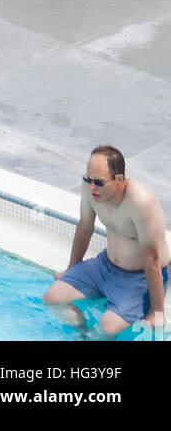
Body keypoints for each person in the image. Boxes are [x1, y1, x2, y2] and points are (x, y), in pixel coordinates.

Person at [42, 145, 169, 338]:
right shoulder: (90, 189)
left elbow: (152, 258)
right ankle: (82, 334)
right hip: (104, 267)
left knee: (107, 328)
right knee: (51, 298)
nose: (91, 186)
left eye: (99, 182)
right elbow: (85, 228)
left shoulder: (140, 201)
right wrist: (71, 268)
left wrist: (156, 312)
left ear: (119, 179)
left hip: (139, 278)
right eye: (88, 179)